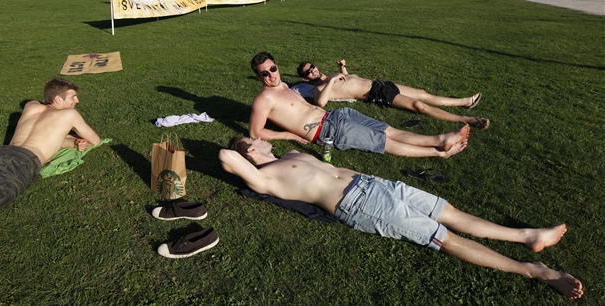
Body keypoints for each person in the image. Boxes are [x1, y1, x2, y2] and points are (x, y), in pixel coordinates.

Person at [219, 136, 584, 300]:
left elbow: (295, 148)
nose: (263, 140)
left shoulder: (291, 154)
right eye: (256, 141)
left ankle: (526, 235)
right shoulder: (264, 178)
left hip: (375, 184)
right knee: (445, 238)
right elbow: (225, 156)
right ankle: (535, 270)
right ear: (251, 150)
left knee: (450, 212)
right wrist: (242, 149)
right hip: (361, 206)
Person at [249, 52, 470, 159]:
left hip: (337, 115)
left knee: (388, 130)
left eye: (273, 69)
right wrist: (288, 136)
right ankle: (439, 150)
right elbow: (255, 131)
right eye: (264, 73)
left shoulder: (285, 85)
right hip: (326, 131)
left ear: (277, 66)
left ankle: (441, 140)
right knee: (384, 143)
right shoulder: (263, 99)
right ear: (259, 77)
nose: (271, 75)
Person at [0, 78, 101, 223]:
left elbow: (43, 134)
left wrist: (71, 142)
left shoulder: (31, 106)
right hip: (21, 162)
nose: (77, 100)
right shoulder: (69, 114)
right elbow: (95, 140)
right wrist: (74, 141)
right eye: (73, 96)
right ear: (58, 99)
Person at [297, 60, 490, 129]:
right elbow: (321, 103)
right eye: (308, 72)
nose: (312, 71)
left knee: (422, 94)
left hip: (380, 84)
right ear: (305, 79)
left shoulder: (333, 74)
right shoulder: (319, 89)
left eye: (312, 67)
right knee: (418, 106)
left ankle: (464, 101)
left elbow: (349, 82)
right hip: (375, 93)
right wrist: (331, 81)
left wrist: (343, 69)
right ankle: (467, 119)